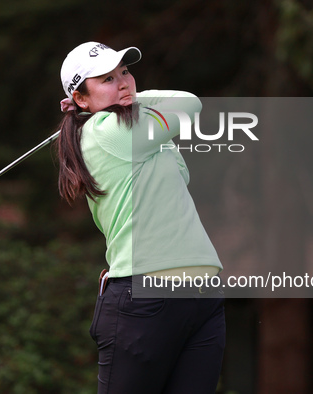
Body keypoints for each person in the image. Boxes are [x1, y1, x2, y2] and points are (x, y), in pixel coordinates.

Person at [56, 41, 225, 394]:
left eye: (125, 72)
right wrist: (121, 104)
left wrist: (120, 100)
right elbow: (189, 103)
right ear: (81, 98)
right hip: (144, 297)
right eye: (107, 79)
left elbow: (180, 173)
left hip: (201, 296)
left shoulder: (137, 132)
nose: (124, 82)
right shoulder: (105, 132)